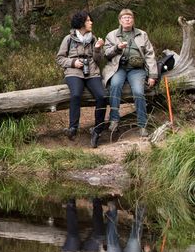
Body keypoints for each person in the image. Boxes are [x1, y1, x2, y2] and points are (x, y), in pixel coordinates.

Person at [102, 9, 158, 138]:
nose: (127, 20)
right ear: (120, 20)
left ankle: (142, 125)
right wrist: (117, 48)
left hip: (137, 70)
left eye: (130, 17)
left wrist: (152, 75)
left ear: (133, 20)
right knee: (115, 86)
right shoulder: (112, 35)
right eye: (124, 18)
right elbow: (106, 54)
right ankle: (114, 120)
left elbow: (150, 55)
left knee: (138, 91)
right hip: (118, 68)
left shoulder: (142, 34)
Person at [56, 11, 107, 148]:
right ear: (81, 23)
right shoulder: (68, 39)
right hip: (74, 72)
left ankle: (97, 130)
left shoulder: (93, 38)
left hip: (92, 72)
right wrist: (73, 63)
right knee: (76, 94)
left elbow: (98, 60)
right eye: (88, 20)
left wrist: (97, 49)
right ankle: (73, 128)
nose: (91, 23)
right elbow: (60, 59)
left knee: (102, 96)